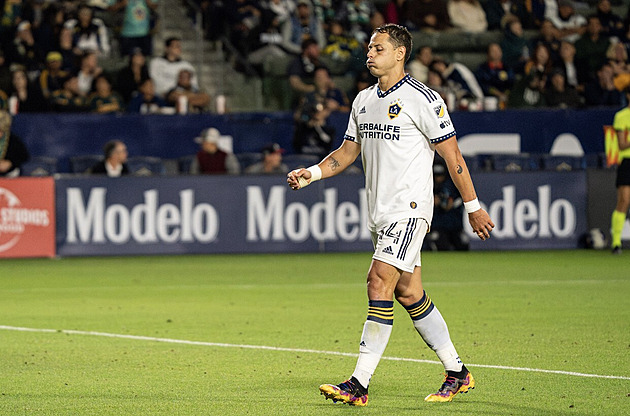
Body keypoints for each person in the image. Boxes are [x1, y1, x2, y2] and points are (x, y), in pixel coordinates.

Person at [287, 23, 494, 407]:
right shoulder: (363, 100)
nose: (369, 54)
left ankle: (358, 384)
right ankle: (457, 371)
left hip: (410, 209)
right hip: (380, 214)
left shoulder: (424, 98)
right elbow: (347, 153)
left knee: (377, 281)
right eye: (369, 48)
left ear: (400, 54)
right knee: (408, 291)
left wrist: (472, 206)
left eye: (378, 48)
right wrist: (311, 173)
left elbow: (452, 156)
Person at [610, 87, 630, 254]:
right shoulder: (621, 116)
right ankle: (616, 242)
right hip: (627, 162)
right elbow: (622, 144)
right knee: (624, 200)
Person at [0, 110, 29, 177]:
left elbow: (24, 156)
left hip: (9, 176)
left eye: (1, 131)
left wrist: (10, 163)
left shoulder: (13, 140)